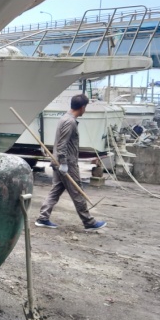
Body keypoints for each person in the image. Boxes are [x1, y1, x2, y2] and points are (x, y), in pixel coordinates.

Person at [35, 93, 107, 231]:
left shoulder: (65, 118)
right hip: (66, 162)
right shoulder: (70, 122)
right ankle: (89, 222)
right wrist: (63, 163)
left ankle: (43, 218)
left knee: (56, 190)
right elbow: (62, 144)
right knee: (77, 191)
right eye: (85, 107)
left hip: (59, 161)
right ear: (82, 107)